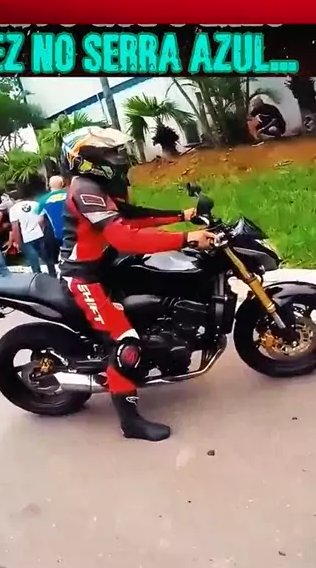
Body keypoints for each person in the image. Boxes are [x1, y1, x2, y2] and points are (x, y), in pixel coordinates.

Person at [58, 126, 214, 442]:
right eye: (109, 152)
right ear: (86, 159)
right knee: (125, 341)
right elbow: (124, 237)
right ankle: (130, 423)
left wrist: (183, 215)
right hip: (83, 278)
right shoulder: (85, 189)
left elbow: (131, 216)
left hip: (104, 269)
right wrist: (186, 237)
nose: (118, 157)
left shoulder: (98, 187)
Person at [7, 176, 48, 275]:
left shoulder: (14, 209)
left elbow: (15, 227)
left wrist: (18, 243)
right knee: (47, 259)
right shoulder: (36, 204)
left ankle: (38, 279)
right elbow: (42, 221)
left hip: (26, 238)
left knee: (34, 263)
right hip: (40, 235)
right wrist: (41, 231)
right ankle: (53, 275)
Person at [37, 175, 67, 274]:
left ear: (49, 185)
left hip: (54, 233)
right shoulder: (70, 194)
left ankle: (53, 274)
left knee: (49, 256)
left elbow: (40, 220)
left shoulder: (43, 200)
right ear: (62, 184)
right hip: (71, 230)